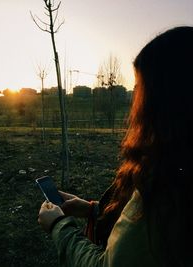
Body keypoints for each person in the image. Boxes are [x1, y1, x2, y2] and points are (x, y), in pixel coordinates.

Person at [38, 26, 193, 266]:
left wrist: (59, 226)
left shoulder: (166, 187)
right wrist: (93, 209)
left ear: (164, 102)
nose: (134, 100)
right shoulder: (178, 171)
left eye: (140, 89)